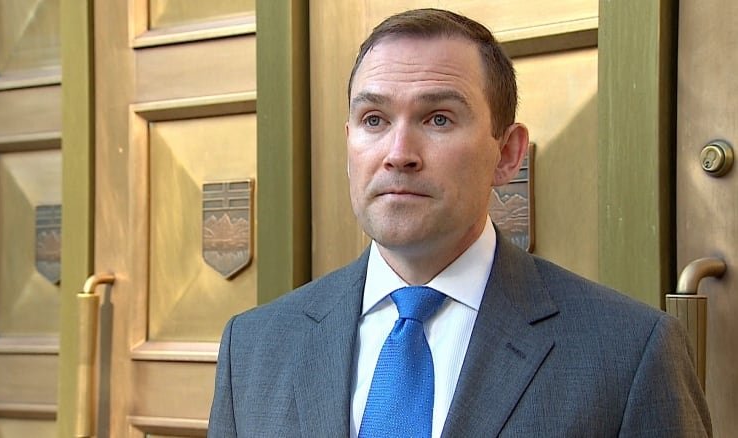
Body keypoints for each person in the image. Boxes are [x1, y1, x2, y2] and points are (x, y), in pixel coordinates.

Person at [207, 8, 711, 437]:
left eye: (438, 119)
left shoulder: (628, 353)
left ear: (507, 154)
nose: (398, 154)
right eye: (374, 120)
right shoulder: (252, 348)